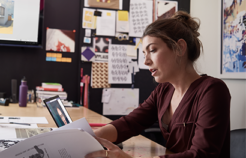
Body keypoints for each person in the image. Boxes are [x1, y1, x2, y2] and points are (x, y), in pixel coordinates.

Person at [85, 11, 231, 158]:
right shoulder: (164, 90)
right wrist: (91, 139)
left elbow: (202, 154)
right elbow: (130, 123)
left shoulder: (212, 90)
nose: (146, 61)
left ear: (179, 47)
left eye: (152, 50)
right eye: (144, 53)